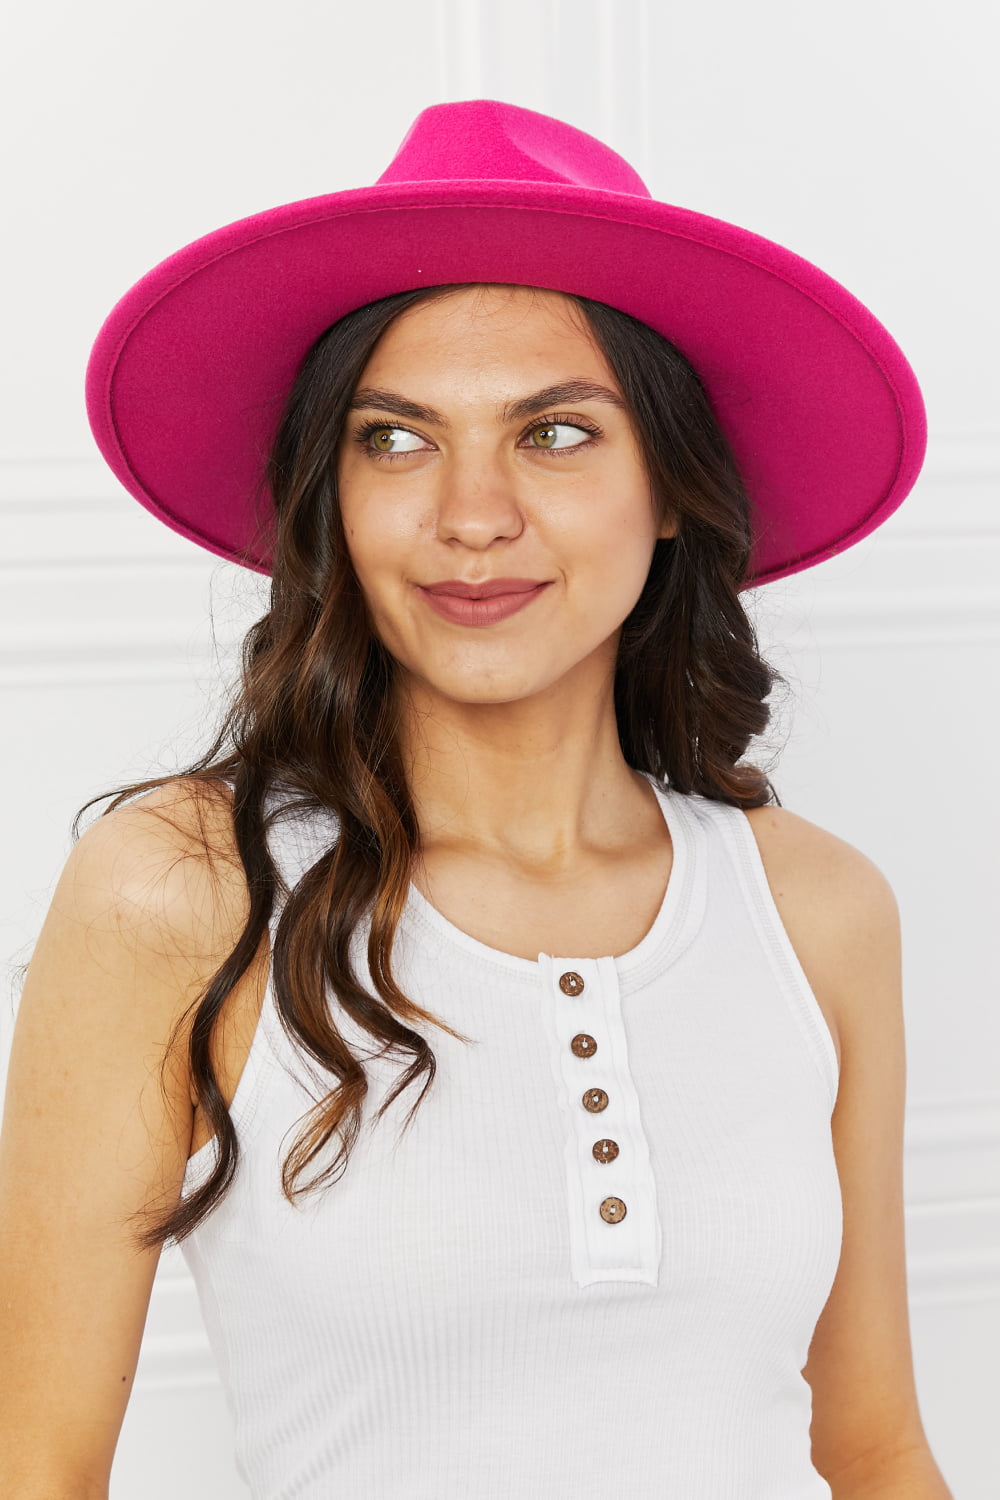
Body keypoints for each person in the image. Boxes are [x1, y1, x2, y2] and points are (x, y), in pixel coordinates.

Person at [0, 100, 953, 1499]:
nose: (471, 515)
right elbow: (35, 1463)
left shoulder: (816, 907)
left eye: (557, 435)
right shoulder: (185, 892)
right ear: (331, 491)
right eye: (395, 440)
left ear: (671, 487)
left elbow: (873, 1453)